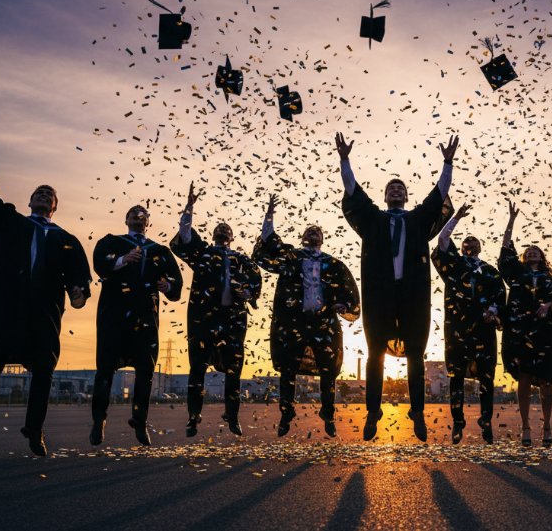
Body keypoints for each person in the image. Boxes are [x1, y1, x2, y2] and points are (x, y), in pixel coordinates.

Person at [0, 128, 91, 459]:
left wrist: (79, 293)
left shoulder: (66, 239)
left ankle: (35, 430)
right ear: (31, 200)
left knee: (44, 371)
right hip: (6, 307)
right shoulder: (10, 222)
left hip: (43, 313)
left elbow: (78, 276)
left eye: (50, 194)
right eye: (39, 192)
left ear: (55, 206)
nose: (44, 195)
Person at [337, 132, 458, 442]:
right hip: (379, 297)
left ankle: (417, 411)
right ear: (385, 195)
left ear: (405, 196)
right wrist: (345, 160)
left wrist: (447, 162)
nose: (395, 190)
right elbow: (352, 190)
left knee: (416, 352)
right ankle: (373, 411)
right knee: (375, 352)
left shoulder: (418, 220)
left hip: (413, 297)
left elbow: (439, 193)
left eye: (400, 188)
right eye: (391, 187)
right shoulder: (373, 220)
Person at [253, 194, 360, 438]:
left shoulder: (332, 264)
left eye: (317, 233)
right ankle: (286, 412)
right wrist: (269, 215)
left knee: (328, 370)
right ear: (303, 238)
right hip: (294, 322)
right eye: (309, 232)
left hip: (323, 322)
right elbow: (270, 242)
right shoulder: (292, 258)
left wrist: (343, 306)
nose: (313, 235)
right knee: (288, 370)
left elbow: (347, 289)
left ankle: (328, 413)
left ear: (322, 239)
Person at [170, 183, 262, 437]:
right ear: (213, 235)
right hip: (204, 320)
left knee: (234, 371)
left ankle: (232, 416)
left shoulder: (241, 260)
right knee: (197, 369)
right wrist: (189, 207)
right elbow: (185, 235)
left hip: (232, 322)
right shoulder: (203, 255)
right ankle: (193, 416)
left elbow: (255, 281)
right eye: (219, 229)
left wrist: (248, 293)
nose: (222, 231)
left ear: (231, 237)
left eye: (227, 230)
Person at [90, 205, 182, 446]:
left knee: (146, 372)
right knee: (105, 370)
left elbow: (175, 278)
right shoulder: (111, 242)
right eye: (133, 214)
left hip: (145, 318)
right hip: (114, 316)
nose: (137, 217)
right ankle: (99, 420)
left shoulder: (159, 251)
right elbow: (100, 262)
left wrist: (169, 286)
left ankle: (140, 422)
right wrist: (122, 259)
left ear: (148, 222)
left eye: (142, 215)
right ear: (126, 219)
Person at [432, 203, 506, 444]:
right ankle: (458, 422)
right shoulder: (454, 267)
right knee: (456, 376)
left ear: (481, 248)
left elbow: (499, 298)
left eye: (474, 244)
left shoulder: (491, 272)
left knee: (486, 377)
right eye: (466, 244)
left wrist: (493, 311)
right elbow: (442, 240)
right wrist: (455, 218)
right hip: (458, 329)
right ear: (461, 249)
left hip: (483, 330)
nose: (470, 247)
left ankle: (486, 420)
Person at [499, 201, 552, 447]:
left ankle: (547, 425)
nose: (531, 253)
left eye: (535, 251)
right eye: (527, 251)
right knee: (525, 380)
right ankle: (527, 426)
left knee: (547, 384)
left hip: (544, 335)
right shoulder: (517, 275)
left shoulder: (550, 280)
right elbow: (506, 251)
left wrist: (549, 305)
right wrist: (511, 221)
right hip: (520, 334)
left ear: (542, 256)